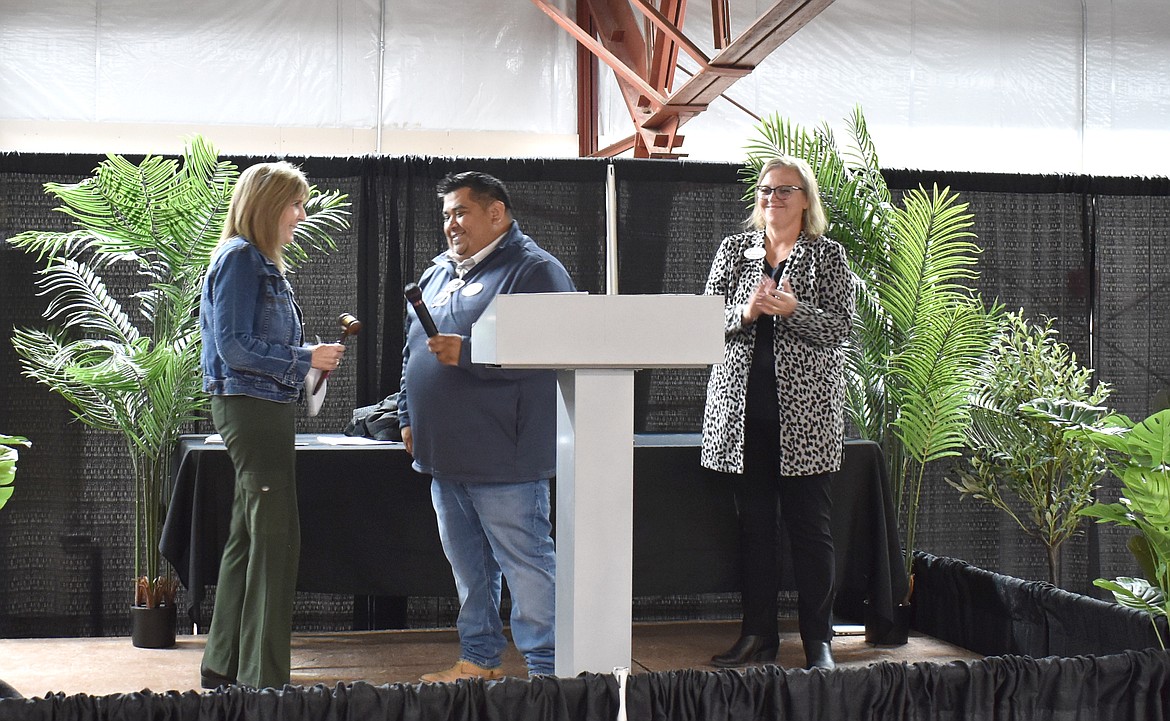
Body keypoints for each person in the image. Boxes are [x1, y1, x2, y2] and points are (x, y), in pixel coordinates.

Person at [398, 171, 576, 682]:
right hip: (443, 453)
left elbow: (555, 349)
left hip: (505, 456)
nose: (451, 224)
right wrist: (409, 416)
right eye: (446, 215)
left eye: (461, 212)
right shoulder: (436, 273)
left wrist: (470, 355)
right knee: (469, 572)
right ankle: (479, 660)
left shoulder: (535, 271)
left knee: (527, 568)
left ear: (496, 213)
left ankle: (550, 674)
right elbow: (411, 350)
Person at [700, 155, 855, 671]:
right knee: (755, 530)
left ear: (806, 199)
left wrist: (794, 310)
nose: (774, 198)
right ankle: (758, 636)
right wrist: (744, 311)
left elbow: (839, 329)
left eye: (786, 190)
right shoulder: (733, 251)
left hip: (806, 417)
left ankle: (818, 643)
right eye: (766, 190)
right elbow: (703, 322)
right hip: (742, 414)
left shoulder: (827, 256)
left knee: (811, 531)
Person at [198, 161, 346, 689]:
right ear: (267, 206)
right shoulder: (241, 260)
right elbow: (234, 347)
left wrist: (306, 359)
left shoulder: (252, 260)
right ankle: (265, 680)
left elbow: (243, 345)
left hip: (259, 405)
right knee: (275, 539)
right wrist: (305, 357)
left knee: (248, 533)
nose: (301, 215)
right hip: (252, 407)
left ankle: (224, 665)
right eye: (294, 204)